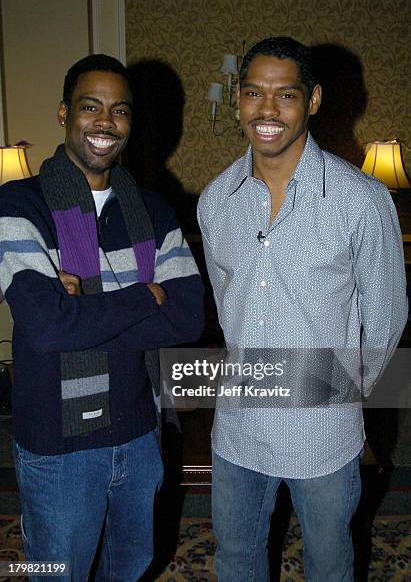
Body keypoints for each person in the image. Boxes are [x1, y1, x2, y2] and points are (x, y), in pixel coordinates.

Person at [197, 37, 407, 581]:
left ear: (312, 100)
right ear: (238, 100)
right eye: (253, 94)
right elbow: (227, 307)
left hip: (323, 434)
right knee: (235, 559)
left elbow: (386, 319)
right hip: (239, 428)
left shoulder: (360, 199)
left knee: (330, 564)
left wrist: (341, 391)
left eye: (284, 94)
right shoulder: (216, 200)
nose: (266, 110)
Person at [0, 54, 204, 581]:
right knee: (55, 573)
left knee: (131, 567)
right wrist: (143, 295)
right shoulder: (19, 206)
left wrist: (82, 304)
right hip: (57, 448)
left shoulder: (156, 210)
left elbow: (186, 317)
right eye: (91, 107)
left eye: (120, 111)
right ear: (65, 113)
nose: (105, 123)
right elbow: (45, 328)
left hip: (139, 434)